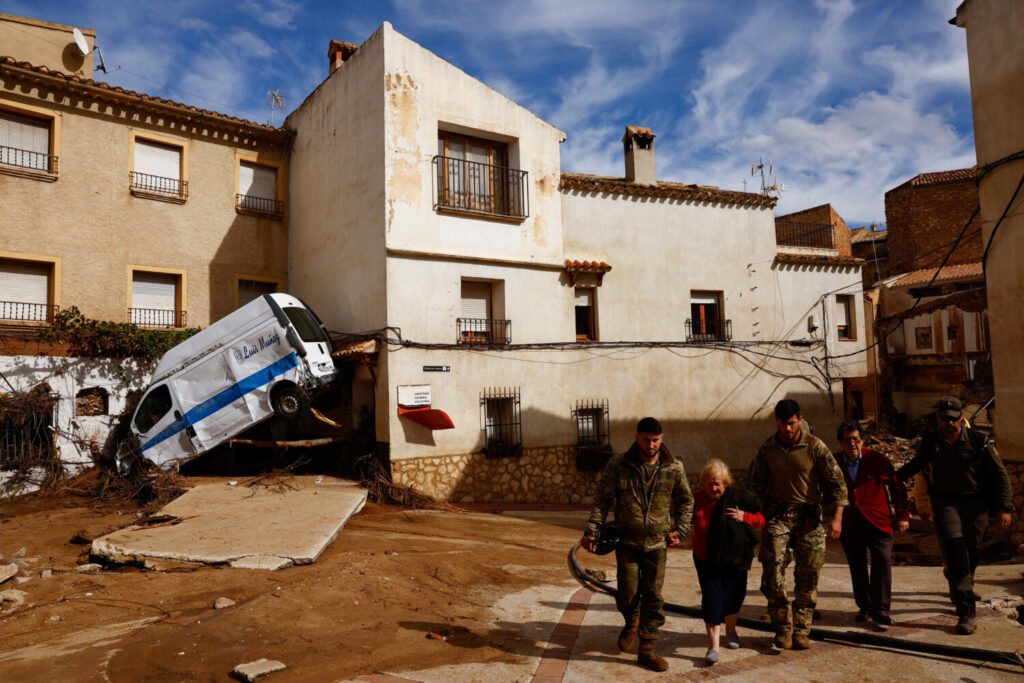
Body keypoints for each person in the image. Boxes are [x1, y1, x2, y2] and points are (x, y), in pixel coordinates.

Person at [582, 417, 694, 672]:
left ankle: (648, 649)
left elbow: (686, 502)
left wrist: (682, 529)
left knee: (653, 596)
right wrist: (592, 531)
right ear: (637, 438)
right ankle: (631, 620)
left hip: (657, 544)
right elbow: (602, 501)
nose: (651, 445)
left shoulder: (673, 468)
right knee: (627, 595)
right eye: (646, 440)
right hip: (628, 543)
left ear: (661, 439)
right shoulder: (619, 465)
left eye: (655, 440)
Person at [897, 397, 1013, 635]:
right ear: (938, 418)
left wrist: (1005, 508)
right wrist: (889, 478)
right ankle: (966, 612)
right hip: (946, 504)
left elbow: (1001, 476)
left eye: (953, 417)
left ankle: (958, 581)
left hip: (976, 506)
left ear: (962, 417)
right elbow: (916, 465)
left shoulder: (980, 442)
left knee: (971, 554)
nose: (949, 422)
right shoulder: (931, 442)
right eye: (944, 418)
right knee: (956, 549)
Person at [748, 399, 847, 651]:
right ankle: (782, 628)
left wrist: (836, 518)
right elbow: (756, 485)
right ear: (777, 422)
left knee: (808, 575)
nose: (788, 429)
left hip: (809, 518)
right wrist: (752, 518)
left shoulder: (815, 446)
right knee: (772, 574)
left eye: (792, 423)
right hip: (778, 517)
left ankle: (802, 630)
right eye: (783, 424)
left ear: (799, 420)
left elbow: (838, 484)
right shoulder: (768, 448)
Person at [835, 420, 910, 627]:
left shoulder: (876, 459)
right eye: (848, 439)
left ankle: (881, 610)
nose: (853, 444)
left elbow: (897, 487)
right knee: (857, 566)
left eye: (856, 439)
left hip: (879, 521)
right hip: (851, 524)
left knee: (882, 561)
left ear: (862, 440)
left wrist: (903, 515)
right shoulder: (834, 462)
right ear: (841, 442)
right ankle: (865, 607)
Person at [690, 459, 765, 665]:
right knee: (712, 598)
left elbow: (762, 517)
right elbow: (683, 519)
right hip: (706, 558)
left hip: (735, 558)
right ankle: (713, 646)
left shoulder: (739, 496)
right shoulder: (697, 498)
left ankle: (731, 632)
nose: (713, 488)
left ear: (726, 483)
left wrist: (745, 516)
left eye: (718, 483)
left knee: (734, 596)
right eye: (709, 483)